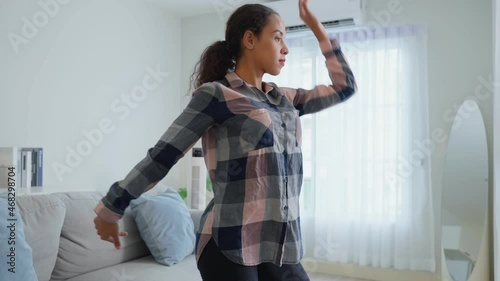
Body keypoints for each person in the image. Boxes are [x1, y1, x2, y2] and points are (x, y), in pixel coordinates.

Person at [93, 0, 357, 280]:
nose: (285, 48)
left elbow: (344, 87)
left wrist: (317, 29)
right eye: (278, 37)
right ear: (250, 39)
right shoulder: (216, 95)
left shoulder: (284, 100)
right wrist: (112, 208)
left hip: (278, 243)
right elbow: (163, 154)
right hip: (229, 242)